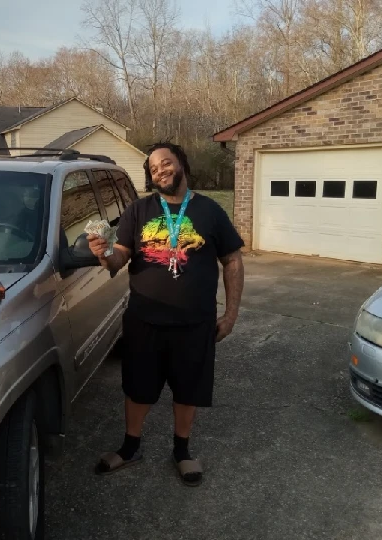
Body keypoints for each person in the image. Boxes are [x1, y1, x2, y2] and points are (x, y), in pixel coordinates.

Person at [87, 141, 245, 487]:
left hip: (195, 323)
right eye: (153, 168)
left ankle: (182, 451)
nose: (160, 170)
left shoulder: (210, 212)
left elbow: (232, 260)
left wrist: (230, 315)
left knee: (188, 389)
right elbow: (119, 259)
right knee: (138, 388)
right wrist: (103, 255)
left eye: (166, 162)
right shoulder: (138, 211)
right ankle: (130, 448)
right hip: (145, 321)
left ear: (181, 163)